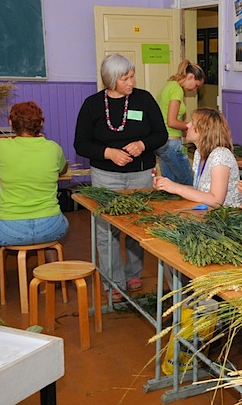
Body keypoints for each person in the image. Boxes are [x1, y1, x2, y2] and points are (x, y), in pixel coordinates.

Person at [74, 53, 167, 302]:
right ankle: (113, 282)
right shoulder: (92, 104)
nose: (131, 81)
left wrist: (142, 144)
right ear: (111, 80)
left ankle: (133, 274)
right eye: (125, 78)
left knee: (138, 227)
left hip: (141, 176)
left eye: (132, 75)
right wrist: (108, 153)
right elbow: (81, 144)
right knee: (107, 231)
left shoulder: (144, 99)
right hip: (106, 177)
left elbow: (161, 134)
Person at [0, 102, 69, 287]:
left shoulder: (2, 147)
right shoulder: (53, 148)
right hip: (51, 225)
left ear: (11, 122)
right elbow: (63, 170)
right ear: (41, 122)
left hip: (10, 230)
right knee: (50, 236)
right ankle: (55, 270)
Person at [153, 108, 242, 207]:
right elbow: (199, 192)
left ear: (204, 130)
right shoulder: (199, 153)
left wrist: (176, 187)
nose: (187, 125)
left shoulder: (220, 154)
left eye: (193, 123)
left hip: (226, 218)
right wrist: (168, 185)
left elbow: (216, 201)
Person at [155, 60, 205, 185]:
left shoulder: (169, 85)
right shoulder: (177, 90)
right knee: (188, 181)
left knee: (169, 184)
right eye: (196, 85)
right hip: (171, 143)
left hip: (162, 143)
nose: (194, 89)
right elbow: (171, 122)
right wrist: (194, 126)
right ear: (191, 77)